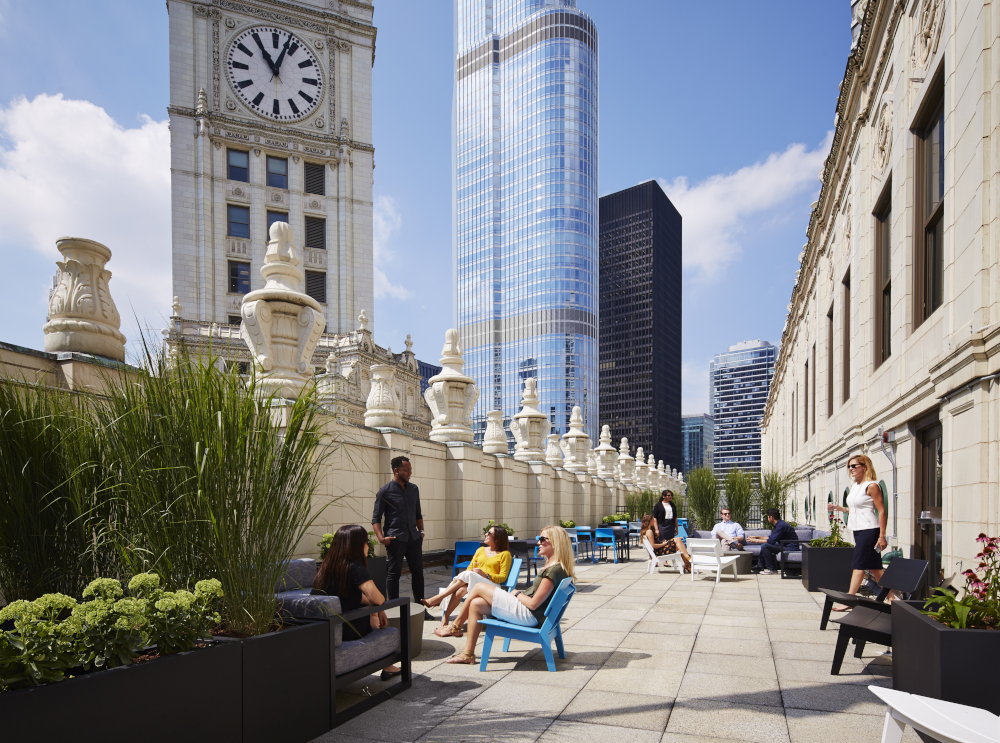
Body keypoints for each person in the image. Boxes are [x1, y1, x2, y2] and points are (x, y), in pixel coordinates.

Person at [443, 525, 575, 663]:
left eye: (543, 539)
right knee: (476, 604)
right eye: (538, 539)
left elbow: (533, 604)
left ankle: (455, 626)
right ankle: (468, 654)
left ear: (555, 542)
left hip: (529, 615)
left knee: (479, 586)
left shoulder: (553, 570)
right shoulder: (556, 567)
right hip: (531, 613)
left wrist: (516, 593)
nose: (538, 543)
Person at [312, 524, 401, 680]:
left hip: (324, 630)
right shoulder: (354, 565)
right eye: (366, 542)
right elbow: (377, 598)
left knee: (373, 610)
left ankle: (387, 664)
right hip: (346, 630)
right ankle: (386, 664)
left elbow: (352, 597)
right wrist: (379, 607)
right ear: (358, 545)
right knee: (373, 616)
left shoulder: (326, 567)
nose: (368, 546)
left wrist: (379, 609)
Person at [422, 525, 512, 637]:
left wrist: (485, 575)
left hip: (491, 586)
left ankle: (439, 598)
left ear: (498, 538)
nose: (485, 534)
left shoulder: (505, 554)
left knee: (468, 574)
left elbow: (502, 577)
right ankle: (445, 621)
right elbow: (470, 568)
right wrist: (474, 574)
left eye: (489, 533)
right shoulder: (480, 550)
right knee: (461, 590)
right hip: (474, 582)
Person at [828, 454, 888, 610]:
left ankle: (849, 600)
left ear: (865, 466)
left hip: (870, 530)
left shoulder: (872, 486)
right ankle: (892, 598)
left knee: (858, 565)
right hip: (858, 530)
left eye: (854, 466)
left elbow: (881, 511)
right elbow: (856, 508)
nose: (851, 469)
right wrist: (840, 509)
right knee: (875, 567)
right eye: (849, 466)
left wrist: (882, 536)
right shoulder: (855, 486)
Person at [372, 456, 425, 607]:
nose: (410, 473)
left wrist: (421, 532)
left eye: (410, 470)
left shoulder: (414, 489)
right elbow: (376, 518)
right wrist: (382, 539)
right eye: (406, 470)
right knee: (394, 575)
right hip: (396, 539)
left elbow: (418, 514)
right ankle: (394, 607)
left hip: (414, 538)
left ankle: (421, 607)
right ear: (396, 470)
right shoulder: (385, 492)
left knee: (418, 573)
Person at [746, 508, 797, 575]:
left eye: (768, 517)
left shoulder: (781, 526)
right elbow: (771, 538)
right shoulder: (779, 524)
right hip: (784, 545)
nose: (768, 519)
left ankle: (772, 569)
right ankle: (760, 566)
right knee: (764, 545)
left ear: (771, 517)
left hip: (790, 548)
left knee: (765, 546)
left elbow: (771, 541)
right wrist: (757, 537)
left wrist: (756, 541)